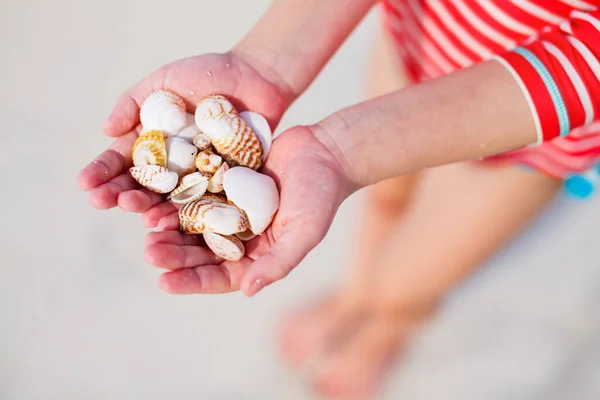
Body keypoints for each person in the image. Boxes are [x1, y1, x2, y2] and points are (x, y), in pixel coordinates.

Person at [78, 1, 599, 397]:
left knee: (412, 274)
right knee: (384, 200)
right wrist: (264, 60)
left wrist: (347, 151)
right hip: (419, 37)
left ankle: (390, 317)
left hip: (539, 132)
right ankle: (355, 296)